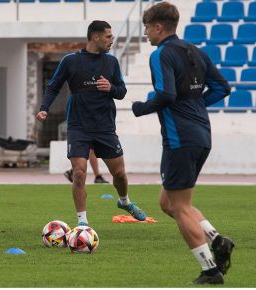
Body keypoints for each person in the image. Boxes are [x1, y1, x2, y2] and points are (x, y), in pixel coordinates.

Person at [132, 2, 234, 284]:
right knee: (168, 202)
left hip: (180, 137)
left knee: (178, 206)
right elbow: (222, 88)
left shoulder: (161, 54)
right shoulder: (195, 50)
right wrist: (196, 103)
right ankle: (217, 239)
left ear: (158, 27)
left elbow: (165, 94)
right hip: (202, 134)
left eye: (147, 28)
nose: (146, 34)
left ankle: (210, 269)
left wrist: (141, 107)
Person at [36, 20, 147, 227]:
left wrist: (110, 88)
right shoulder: (70, 61)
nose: (112, 40)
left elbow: (121, 92)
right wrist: (44, 108)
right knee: (79, 172)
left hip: (105, 126)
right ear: (95, 37)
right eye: (108, 36)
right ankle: (83, 223)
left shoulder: (112, 62)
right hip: (78, 126)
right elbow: (53, 87)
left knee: (120, 174)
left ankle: (124, 201)